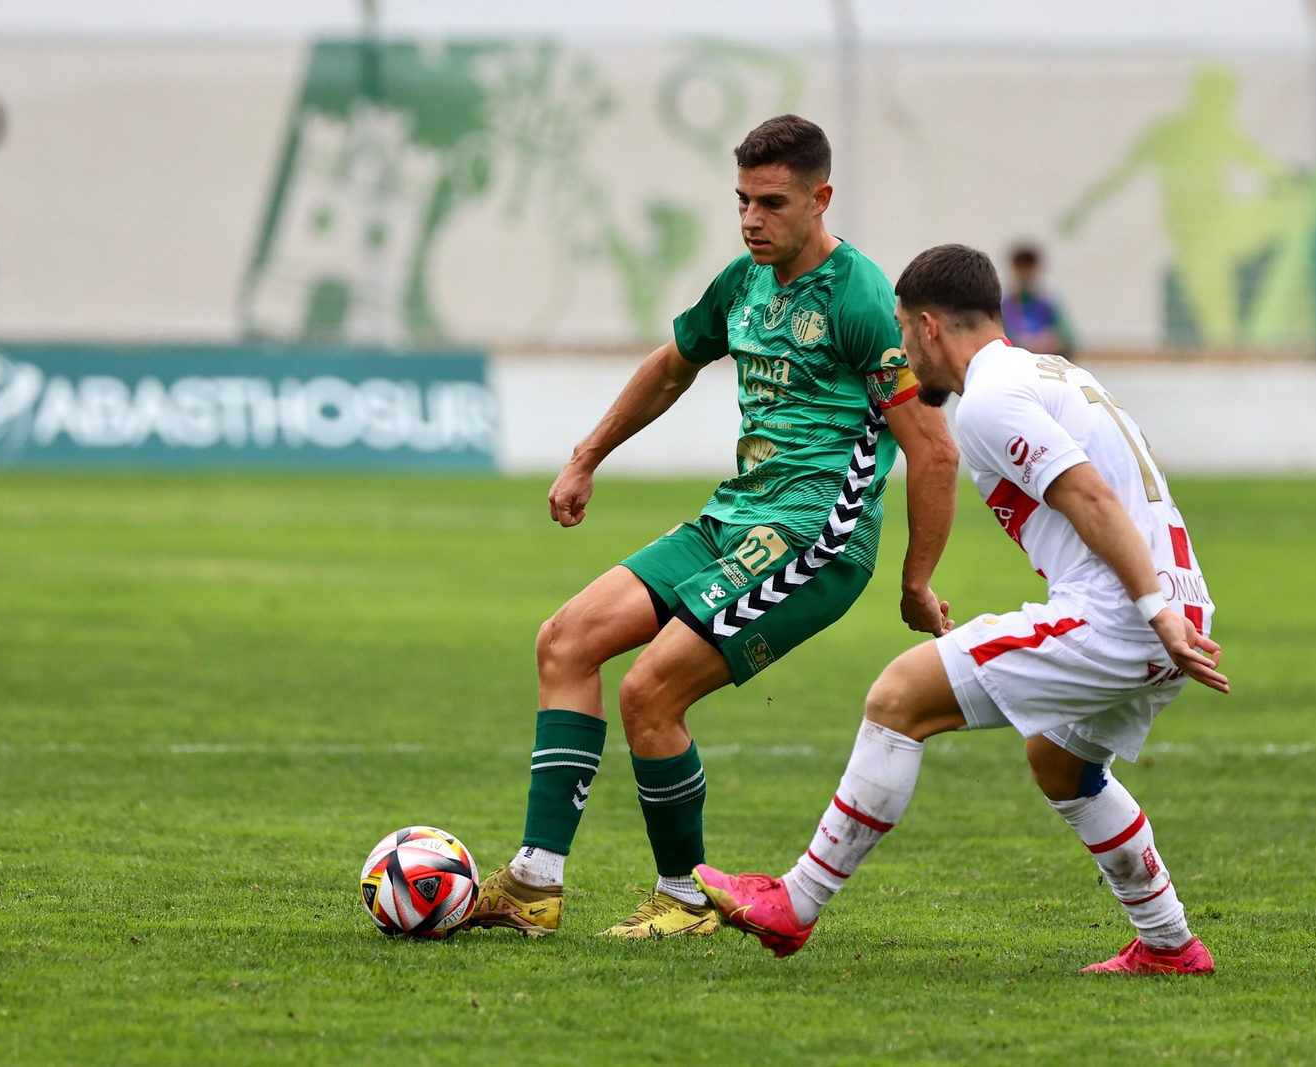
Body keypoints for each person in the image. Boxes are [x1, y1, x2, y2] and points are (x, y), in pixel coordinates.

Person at [468, 116, 961, 939]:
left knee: (649, 690)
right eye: (741, 201)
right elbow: (671, 368)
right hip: (732, 515)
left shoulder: (862, 296)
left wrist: (915, 584)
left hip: (815, 534)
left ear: (820, 198)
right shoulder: (743, 282)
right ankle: (534, 886)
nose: (751, 220)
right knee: (565, 641)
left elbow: (934, 452)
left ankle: (684, 897)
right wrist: (585, 456)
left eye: (771, 203)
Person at [694, 244, 1229, 975]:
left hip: (1129, 614)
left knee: (899, 696)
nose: (904, 355)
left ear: (927, 326)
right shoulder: (1049, 371)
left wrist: (1150, 609)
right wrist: (1169, 610)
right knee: (1060, 762)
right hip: (1175, 608)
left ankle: (797, 903)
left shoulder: (989, 396)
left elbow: (1094, 499)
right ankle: (1169, 941)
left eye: (904, 338)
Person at [1002, 244, 1074, 358]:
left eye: (1029, 266)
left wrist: (1053, 340)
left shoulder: (1048, 302)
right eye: (1021, 266)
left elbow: (1069, 338)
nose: (1025, 272)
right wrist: (1020, 343)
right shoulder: (1004, 305)